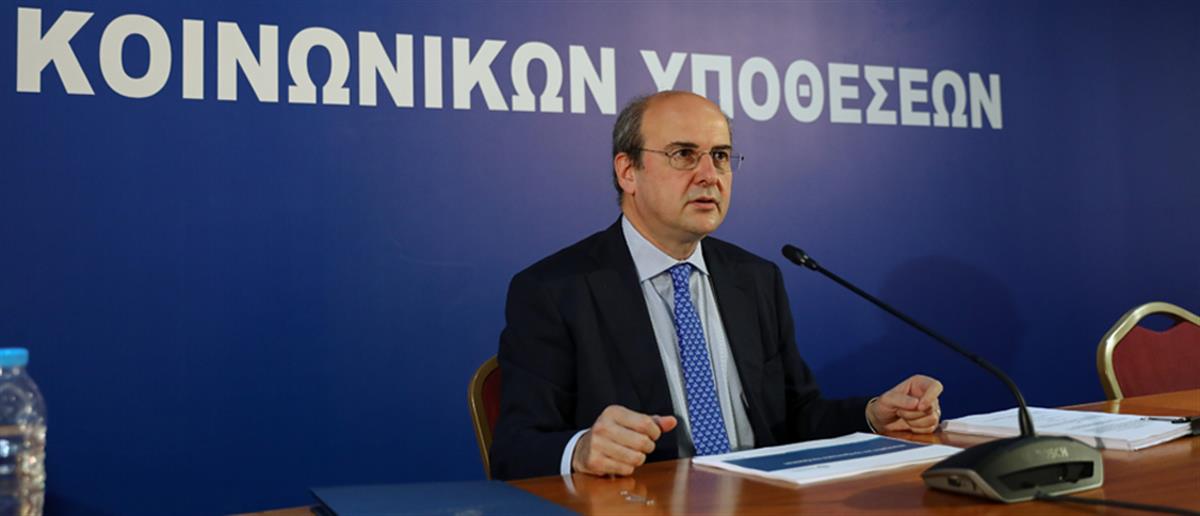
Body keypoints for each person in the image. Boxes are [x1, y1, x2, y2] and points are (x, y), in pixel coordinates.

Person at [490, 91, 942, 481]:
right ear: (628, 171)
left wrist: (873, 414)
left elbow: (796, 416)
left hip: (764, 501)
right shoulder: (555, 289)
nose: (709, 175)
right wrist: (582, 448)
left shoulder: (756, 278)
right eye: (684, 154)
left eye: (721, 156)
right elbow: (514, 448)